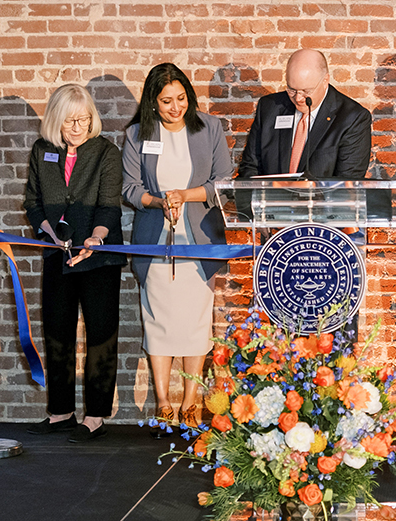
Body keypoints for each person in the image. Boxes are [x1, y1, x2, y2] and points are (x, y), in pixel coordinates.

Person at [122, 63, 234, 439]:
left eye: (181, 99)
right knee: (157, 319)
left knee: (195, 321)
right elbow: (129, 189)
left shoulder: (210, 128)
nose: (175, 108)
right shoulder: (137, 134)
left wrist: (186, 195)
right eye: (166, 101)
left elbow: (224, 182)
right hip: (155, 239)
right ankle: (162, 402)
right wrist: (156, 201)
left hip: (198, 239)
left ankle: (190, 401)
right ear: (152, 103)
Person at [23, 84, 126, 443]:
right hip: (58, 254)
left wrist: (96, 238)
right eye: (69, 121)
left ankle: (95, 416)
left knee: (101, 335)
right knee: (57, 333)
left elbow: (109, 205)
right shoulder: (42, 151)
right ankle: (61, 412)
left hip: (98, 257)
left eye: (83, 119)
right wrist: (48, 232)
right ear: (56, 121)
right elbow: (33, 202)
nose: (78, 128)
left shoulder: (106, 152)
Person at [238, 48, 371, 179]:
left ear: (325, 81)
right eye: (291, 90)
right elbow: (250, 167)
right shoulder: (269, 107)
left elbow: (347, 182)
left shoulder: (352, 119)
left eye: (306, 91)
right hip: (271, 200)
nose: (298, 98)